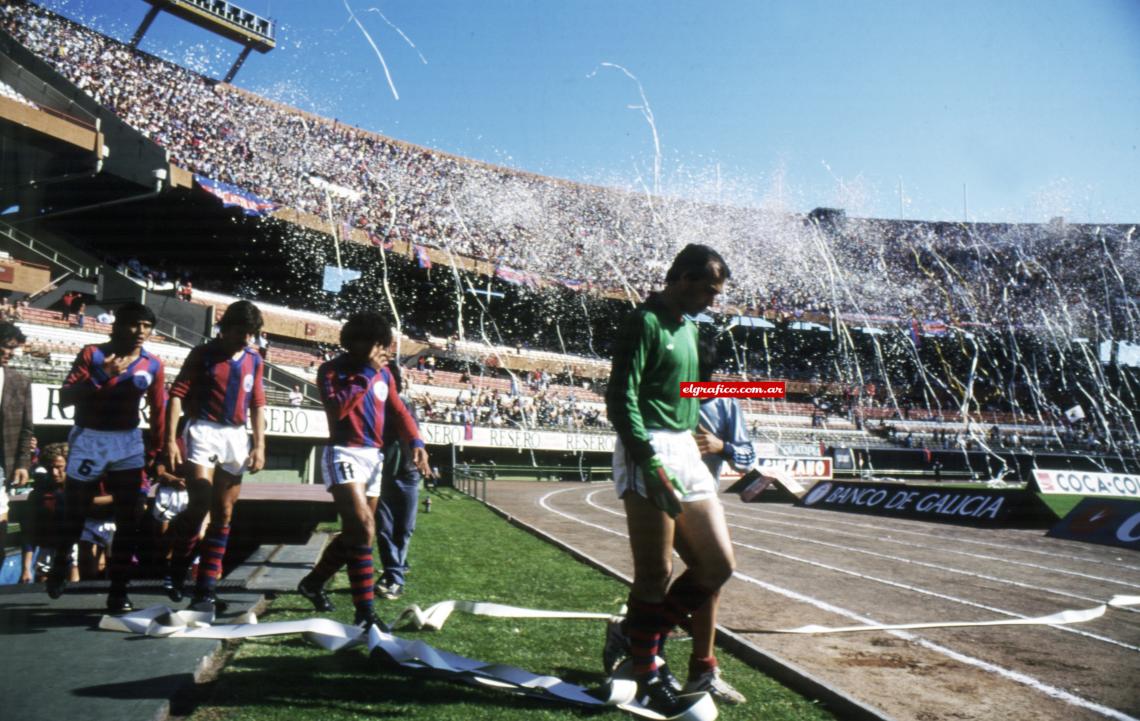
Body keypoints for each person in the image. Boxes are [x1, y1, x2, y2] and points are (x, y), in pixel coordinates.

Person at [602, 244, 734, 715]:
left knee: (716, 566)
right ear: (679, 278)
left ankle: (638, 638)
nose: (711, 302)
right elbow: (621, 400)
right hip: (650, 449)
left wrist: (761, 392)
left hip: (684, 445)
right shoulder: (645, 321)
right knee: (655, 572)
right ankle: (645, 670)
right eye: (706, 290)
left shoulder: (692, 329)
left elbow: (689, 390)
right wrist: (649, 461)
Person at [296, 311, 431, 630]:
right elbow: (339, 408)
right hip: (342, 451)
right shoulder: (332, 370)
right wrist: (368, 372)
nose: (382, 351)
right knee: (363, 526)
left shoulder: (383, 375)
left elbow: (398, 410)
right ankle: (365, 611)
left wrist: (416, 440)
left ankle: (312, 583)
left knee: (359, 533)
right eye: (378, 345)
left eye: (384, 345)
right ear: (357, 343)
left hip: (373, 456)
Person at [45, 303, 167, 612]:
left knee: (131, 515)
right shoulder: (92, 355)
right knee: (75, 510)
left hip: (128, 441)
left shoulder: (152, 364)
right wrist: (101, 374)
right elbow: (65, 397)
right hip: (90, 437)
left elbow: (159, 410)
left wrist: (159, 451)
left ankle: (118, 590)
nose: (141, 332)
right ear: (118, 326)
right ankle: (61, 562)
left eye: (147, 326)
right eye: (134, 324)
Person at [164, 300, 267, 612]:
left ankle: (205, 587)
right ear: (224, 328)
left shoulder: (254, 358)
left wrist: (259, 445)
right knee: (199, 503)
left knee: (223, 512)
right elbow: (177, 394)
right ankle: (178, 566)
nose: (246, 338)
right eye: (240, 331)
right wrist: (170, 440)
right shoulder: (203, 354)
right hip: (203, 430)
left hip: (235, 436)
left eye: (251, 333)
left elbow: (258, 403)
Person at [684, 337, 753, 704]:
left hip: (703, 495)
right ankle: (700, 669)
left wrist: (721, 447)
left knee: (710, 579)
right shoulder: (669, 391)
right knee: (701, 574)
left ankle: (635, 633)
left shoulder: (725, 401)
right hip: (664, 490)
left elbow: (746, 455)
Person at [374, 361, 426, 600]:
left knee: (403, 528)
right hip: (383, 473)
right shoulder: (374, 403)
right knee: (385, 528)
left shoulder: (403, 404)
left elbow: (411, 432)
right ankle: (395, 576)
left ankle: (396, 567)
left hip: (405, 471)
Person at [0, 321, 34, 574]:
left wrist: (23, 463)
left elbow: (26, 428)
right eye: (3, 346)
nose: (8, 353)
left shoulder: (20, 382)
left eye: (12, 348)